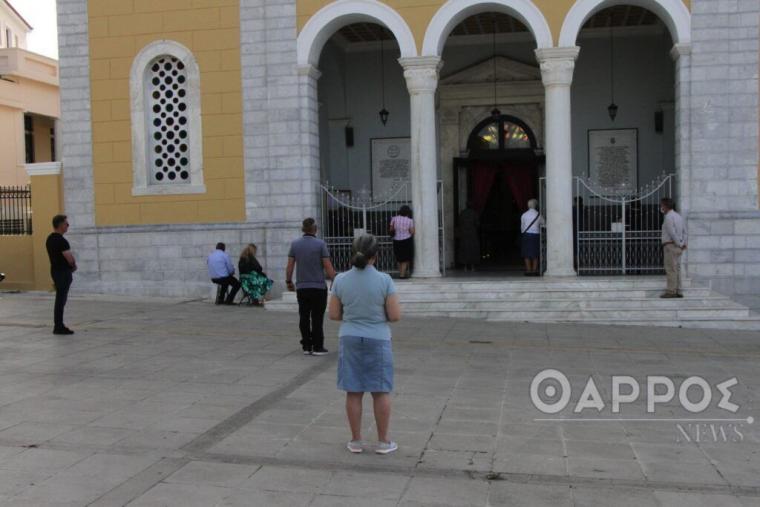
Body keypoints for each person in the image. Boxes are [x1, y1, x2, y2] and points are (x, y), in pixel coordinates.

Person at [328, 234, 401, 455]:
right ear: (376, 256)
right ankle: (383, 442)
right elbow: (395, 315)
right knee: (380, 391)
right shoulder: (385, 280)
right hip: (378, 337)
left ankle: (356, 440)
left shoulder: (340, 279)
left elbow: (333, 314)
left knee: (354, 391)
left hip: (349, 336)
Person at [286, 218, 337, 356]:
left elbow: (290, 265)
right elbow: (327, 265)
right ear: (315, 229)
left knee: (303, 316)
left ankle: (306, 346)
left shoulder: (295, 244)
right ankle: (318, 346)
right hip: (318, 287)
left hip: (302, 287)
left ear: (303, 229)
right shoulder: (320, 244)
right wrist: (335, 280)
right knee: (317, 317)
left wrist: (289, 281)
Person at [46, 214, 77, 335]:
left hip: (55, 271)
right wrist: (73, 266)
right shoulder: (61, 241)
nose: (68, 225)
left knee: (60, 299)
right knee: (61, 300)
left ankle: (58, 325)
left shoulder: (50, 239)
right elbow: (69, 258)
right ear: (60, 225)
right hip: (63, 273)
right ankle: (58, 326)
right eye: (66, 223)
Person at [660, 197, 687, 298]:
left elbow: (672, 233)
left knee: (671, 269)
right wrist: (683, 243)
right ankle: (679, 290)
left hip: (671, 246)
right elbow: (685, 232)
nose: (661, 207)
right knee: (677, 269)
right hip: (678, 247)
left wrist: (679, 243)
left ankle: (671, 291)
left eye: (662, 205)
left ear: (665, 206)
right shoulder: (678, 216)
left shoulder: (668, 217)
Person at [389, 205, 414, 279]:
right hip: (406, 240)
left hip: (396, 240)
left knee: (399, 258)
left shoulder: (394, 219)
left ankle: (400, 273)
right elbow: (412, 232)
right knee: (405, 258)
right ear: (408, 212)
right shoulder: (410, 220)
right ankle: (402, 275)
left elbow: (391, 229)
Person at [520, 199, 544, 276]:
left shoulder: (524, 215)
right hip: (536, 235)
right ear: (536, 205)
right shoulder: (538, 215)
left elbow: (522, 228)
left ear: (528, 205)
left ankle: (528, 270)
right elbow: (544, 224)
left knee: (526, 254)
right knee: (535, 254)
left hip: (526, 235)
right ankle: (534, 270)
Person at [456, 202, 480, 272]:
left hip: (464, 234)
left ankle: (465, 267)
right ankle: (472, 267)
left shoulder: (462, 213)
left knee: (464, 250)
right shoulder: (474, 213)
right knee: (472, 250)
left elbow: (459, 222)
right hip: (472, 234)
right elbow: (477, 223)